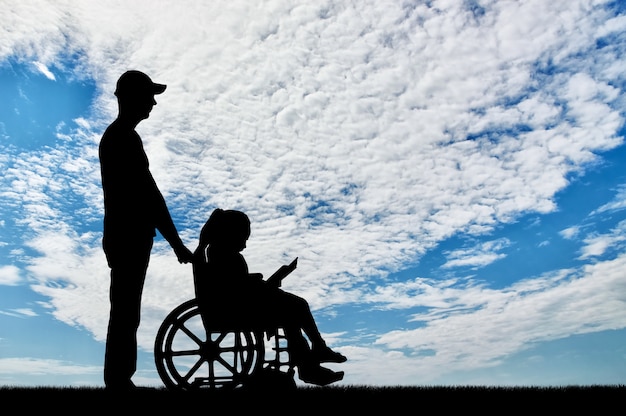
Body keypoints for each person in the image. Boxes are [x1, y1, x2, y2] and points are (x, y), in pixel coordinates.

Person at [99, 70, 194, 390]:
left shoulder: (120, 136)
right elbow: (149, 195)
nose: (153, 102)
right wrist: (177, 243)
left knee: (126, 310)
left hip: (125, 234)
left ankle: (119, 378)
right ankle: (119, 380)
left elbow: (148, 196)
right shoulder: (123, 137)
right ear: (130, 98)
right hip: (128, 235)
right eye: (148, 95)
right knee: (126, 311)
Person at [193, 208, 347, 386]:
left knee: (294, 309)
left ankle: (311, 361)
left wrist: (258, 282)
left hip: (241, 304)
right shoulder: (222, 254)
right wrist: (260, 282)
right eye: (243, 238)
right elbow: (233, 287)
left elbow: (235, 284)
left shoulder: (220, 253)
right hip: (236, 308)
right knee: (297, 307)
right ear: (231, 233)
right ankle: (313, 358)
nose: (245, 244)